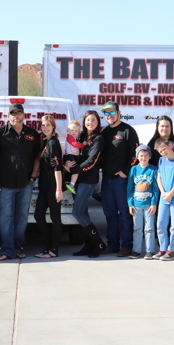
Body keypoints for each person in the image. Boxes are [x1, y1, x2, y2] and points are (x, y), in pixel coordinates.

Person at [0, 102, 40, 261]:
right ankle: (7, 250)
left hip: (26, 183)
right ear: (8, 115)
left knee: (22, 217)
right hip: (5, 183)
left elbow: (37, 158)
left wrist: (32, 177)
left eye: (18, 113)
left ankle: (17, 248)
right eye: (13, 113)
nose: (15, 116)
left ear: (24, 115)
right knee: (6, 217)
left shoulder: (32, 134)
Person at [99, 101, 139, 257]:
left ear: (118, 112)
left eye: (111, 112)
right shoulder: (104, 132)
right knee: (109, 214)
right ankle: (113, 244)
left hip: (121, 180)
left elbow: (135, 154)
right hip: (106, 179)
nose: (109, 116)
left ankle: (126, 246)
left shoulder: (128, 131)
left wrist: (125, 171)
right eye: (106, 113)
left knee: (124, 214)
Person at [65, 110, 106, 258]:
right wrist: (66, 164)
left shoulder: (98, 139)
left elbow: (92, 161)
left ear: (97, 122)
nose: (90, 123)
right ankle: (88, 245)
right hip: (78, 180)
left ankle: (98, 243)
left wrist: (75, 169)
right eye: (88, 120)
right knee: (84, 213)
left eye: (93, 120)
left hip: (88, 180)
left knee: (77, 212)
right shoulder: (82, 136)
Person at [147, 116, 174, 225]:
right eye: (162, 126)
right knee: (160, 218)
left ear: (171, 127)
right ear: (157, 127)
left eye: (167, 126)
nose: (164, 129)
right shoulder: (152, 143)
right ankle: (161, 238)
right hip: (159, 184)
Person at [34, 115, 64, 258]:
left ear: (53, 127)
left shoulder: (53, 143)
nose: (45, 128)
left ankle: (53, 250)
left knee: (55, 217)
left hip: (53, 186)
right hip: (44, 186)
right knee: (38, 215)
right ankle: (48, 247)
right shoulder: (46, 142)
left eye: (48, 125)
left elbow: (57, 167)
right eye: (43, 125)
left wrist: (58, 189)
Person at [127, 145, 159, 260]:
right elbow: (130, 188)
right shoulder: (134, 169)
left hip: (149, 204)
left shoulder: (153, 169)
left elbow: (156, 188)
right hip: (136, 205)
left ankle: (150, 250)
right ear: (137, 157)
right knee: (137, 228)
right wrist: (130, 204)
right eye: (141, 156)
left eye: (146, 156)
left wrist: (154, 203)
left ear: (149, 156)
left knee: (149, 228)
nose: (143, 158)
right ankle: (136, 250)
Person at [64, 120, 84, 194]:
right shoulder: (70, 137)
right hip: (71, 157)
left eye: (76, 131)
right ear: (67, 130)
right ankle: (71, 184)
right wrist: (83, 145)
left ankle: (70, 183)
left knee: (73, 171)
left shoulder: (72, 137)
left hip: (72, 157)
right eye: (72, 130)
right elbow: (75, 145)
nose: (74, 132)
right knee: (76, 171)